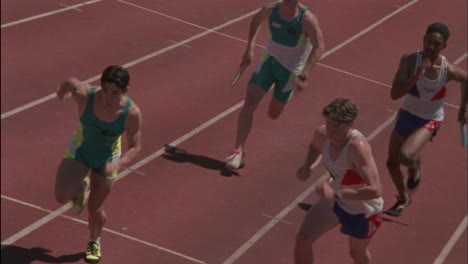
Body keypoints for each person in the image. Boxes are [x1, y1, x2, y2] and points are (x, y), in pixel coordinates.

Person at [54, 65, 142, 263]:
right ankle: (81, 188)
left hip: (107, 159)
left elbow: (136, 146)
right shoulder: (85, 95)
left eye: (115, 93)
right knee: (61, 196)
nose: (109, 98)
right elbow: (70, 81)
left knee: (95, 209)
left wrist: (118, 164)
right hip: (80, 150)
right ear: (99, 86)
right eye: (105, 91)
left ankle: (94, 239)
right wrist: (61, 92)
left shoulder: (131, 113)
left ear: (126, 91)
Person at [226, 0, 325, 169]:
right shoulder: (271, 10)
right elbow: (256, 20)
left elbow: (319, 47)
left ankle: (283, 97)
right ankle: (238, 151)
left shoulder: (306, 19)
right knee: (249, 102)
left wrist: (306, 71)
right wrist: (249, 47)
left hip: (290, 71)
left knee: (273, 114)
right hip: (269, 60)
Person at [385, 22, 467, 217]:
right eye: (429, 41)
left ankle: (414, 165)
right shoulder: (409, 61)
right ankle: (404, 198)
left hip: (430, 118)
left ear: (443, 47)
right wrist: (416, 76)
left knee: (405, 155)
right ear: (423, 39)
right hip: (407, 113)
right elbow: (394, 94)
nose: (431, 46)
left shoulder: (448, 70)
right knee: (391, 163)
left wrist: (463, 109)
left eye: (436, 44)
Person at [295, 98, 383, 264]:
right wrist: (308, 165)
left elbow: (375, 190)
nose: (331, 129)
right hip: (337, 201)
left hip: (365, 209)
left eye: (337, 125)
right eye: (329, 122)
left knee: (356, 253)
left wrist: (335, 192)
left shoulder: (357, 148)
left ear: (350, 124)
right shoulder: (322, 134)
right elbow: (314, 147)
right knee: (303, 239)